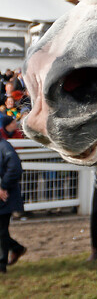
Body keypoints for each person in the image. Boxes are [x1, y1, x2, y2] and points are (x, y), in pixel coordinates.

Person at [0, 117, 25, 273]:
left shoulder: (4, 146)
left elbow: (15, 167)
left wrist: (3, 186)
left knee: (1, 231)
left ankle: (1, 265)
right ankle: (17, 248)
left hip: (5, 196)